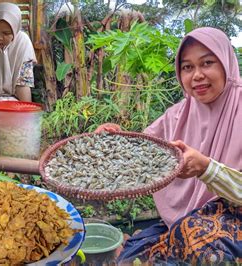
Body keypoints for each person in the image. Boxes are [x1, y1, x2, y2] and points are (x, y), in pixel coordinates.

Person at [96, 27, 241, 263]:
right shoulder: (178, 114)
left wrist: (207, 169)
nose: (197, 75)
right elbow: (141, 149)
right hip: (184, 220)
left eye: (207, 63)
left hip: (235, 219)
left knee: (198, 244)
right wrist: (115, 138)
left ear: (226, 63)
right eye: (187, 67)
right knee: (131, 256)